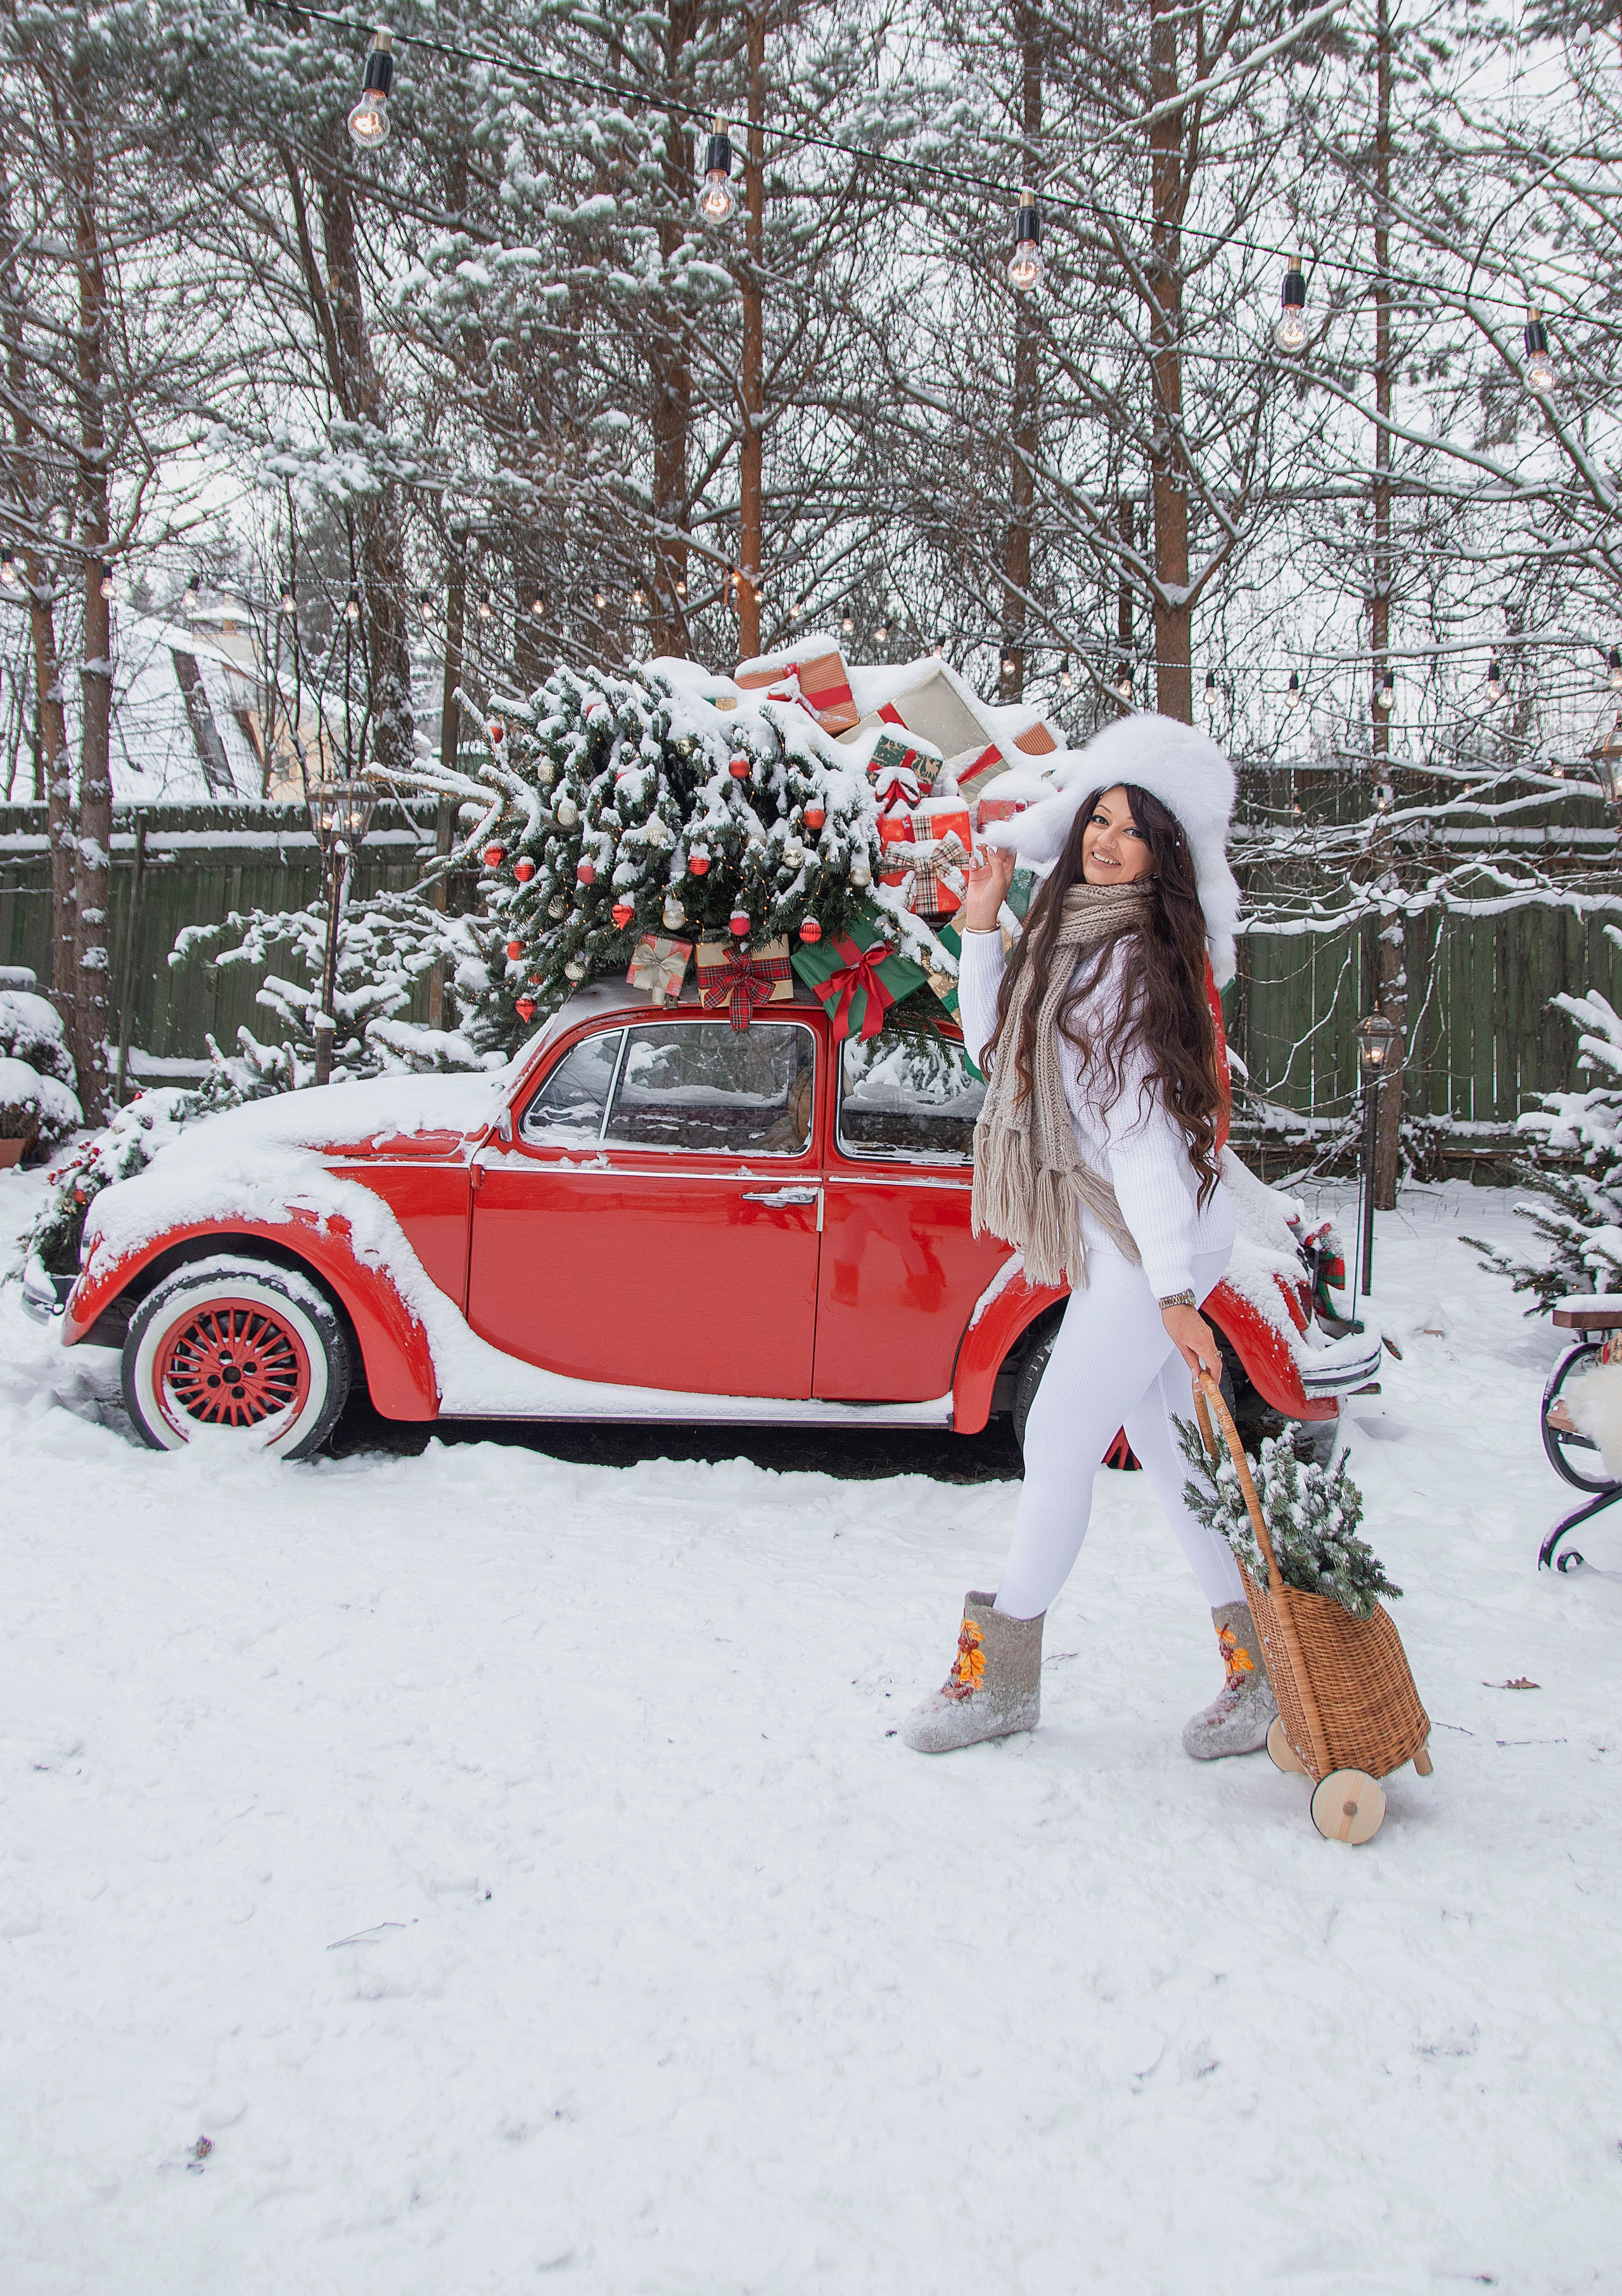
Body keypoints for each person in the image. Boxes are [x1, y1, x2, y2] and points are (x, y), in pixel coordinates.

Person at [900, 714, 1277, 1761]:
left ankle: (999, 1683)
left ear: (1164, 857)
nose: (1106, 839)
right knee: (1168, 1448)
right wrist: (981, 928)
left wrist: (1170, 1293)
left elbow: (1146, 1137)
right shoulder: (1072, 936)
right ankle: (1262, 1672)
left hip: (1152, 1237)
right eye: (1097, 819)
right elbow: (1000, 1055)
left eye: (1132, 829)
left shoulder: (1133, 969)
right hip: (1133, 1237)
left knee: (1061, 1437)